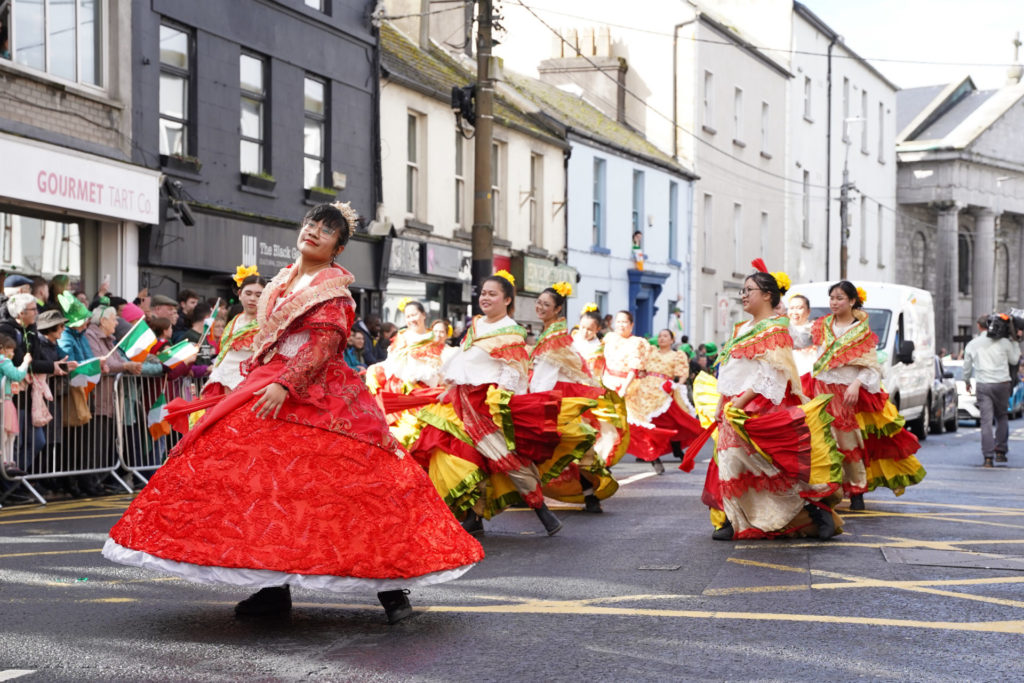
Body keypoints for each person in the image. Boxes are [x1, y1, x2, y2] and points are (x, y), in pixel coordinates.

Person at [102, 202, 484, 623]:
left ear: (338, 246)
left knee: (349, 486)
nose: (314, 232)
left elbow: (323, 342)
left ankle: (392, 592)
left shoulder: (333, 289)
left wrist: (287, 383)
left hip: (317, 389)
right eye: (311, 224)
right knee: (266, 486)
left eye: (326, 230)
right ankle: (272, 588)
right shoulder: (282, 280)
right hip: (268, 381)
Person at [412, 271, 564, 535]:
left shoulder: (512, 332)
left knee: (506, 460)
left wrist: (501, 400)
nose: (485, 298)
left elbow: (514, 369)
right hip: (460, 400)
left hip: (488, 404)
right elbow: (463, 361)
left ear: (507, 300)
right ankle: (473, 515)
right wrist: (448, 388)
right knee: (459, 457)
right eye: (483, 293)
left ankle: (543, 511)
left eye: (492, 294)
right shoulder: (477, 325)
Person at [703, 260, 842, 541]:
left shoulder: (776, 329)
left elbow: (771, 373)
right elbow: (731, 368)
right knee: (729, 463)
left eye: (749, 290)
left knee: (770, 466)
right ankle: (734, 518)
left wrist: (739, 404)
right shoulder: (742, 328)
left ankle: (815, 511)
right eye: (742, 290)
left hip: (760, 404)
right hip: (734, 404)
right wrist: (722, 401)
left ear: (767, 295)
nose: (743, 295)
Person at [803, 282, 925, 509]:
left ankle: (857, 489)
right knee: (821, 442)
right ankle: (826, 489)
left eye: (840, 298)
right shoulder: (821, 326)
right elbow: (800, 339)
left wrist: (856, 384)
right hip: (821, 390)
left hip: (846, 393)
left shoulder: (862, 332)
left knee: (848, 442)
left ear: (851, 301)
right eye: (832, 298)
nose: (834, 302)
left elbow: (871, 367)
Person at [530, 283, 624, 513]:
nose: (540, 307)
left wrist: (533, 399)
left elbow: (551, 375)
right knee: (561, 447)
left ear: (558, 309)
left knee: (574, 446)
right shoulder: (552, 335)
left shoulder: (557, 338)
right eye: (539, 302)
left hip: (554, 398)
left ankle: (589, 493)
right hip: (549, 396)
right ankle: (529, 492)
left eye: (546, 304)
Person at [626, 328, 701, 472]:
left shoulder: (677, 355)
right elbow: (641, 366)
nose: (662, 339)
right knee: (643, 420)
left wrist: (676, 385)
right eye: (660, 336)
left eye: (666, 336)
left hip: (663, 389)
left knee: (670, 421)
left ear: (672, 340)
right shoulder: (651, 351)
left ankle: (676, 448)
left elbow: (683, 374)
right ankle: (648, 450)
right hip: (645, 388)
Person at [964, 313, 1021, 467]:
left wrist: (967, 381)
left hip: (983, 385)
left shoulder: (973, 344)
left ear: (978, 326)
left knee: (986, 421)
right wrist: (1016, 342)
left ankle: (988, 457)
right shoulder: (1004, 342)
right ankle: (1001, 452)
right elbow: (1014, 360)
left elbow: (967, 366)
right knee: (1002, 417)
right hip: (1002, 384)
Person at [204, 270, 264, 396]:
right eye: (248, 293)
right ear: (240, 294)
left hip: (249, 384)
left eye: (258, 295)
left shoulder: (267, 324)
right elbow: (225, 353)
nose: (252, 299)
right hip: (222, 381)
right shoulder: (234, 320)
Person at [0, 334, 30, 477]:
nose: (12, 354)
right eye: (10, 350)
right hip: (4, 400)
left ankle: (8, 460)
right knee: (7, 433)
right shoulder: (3, 361)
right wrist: (25, 363)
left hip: (5, 400)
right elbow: (17, 375)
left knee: (8, 433)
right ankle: (7, 461)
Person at [572, 305, 606, 379]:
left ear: (598, 329)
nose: (585, 332)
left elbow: (596, 374)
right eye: (583, 327)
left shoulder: (598, 349)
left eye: (589, 329)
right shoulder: (573, 337)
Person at [787, 293, 816, 375]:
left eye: (799, 308)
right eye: (791, 308)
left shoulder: (814, 329)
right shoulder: (782, 329)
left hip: (808, 376)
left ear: (808, 311)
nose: (794, 312)